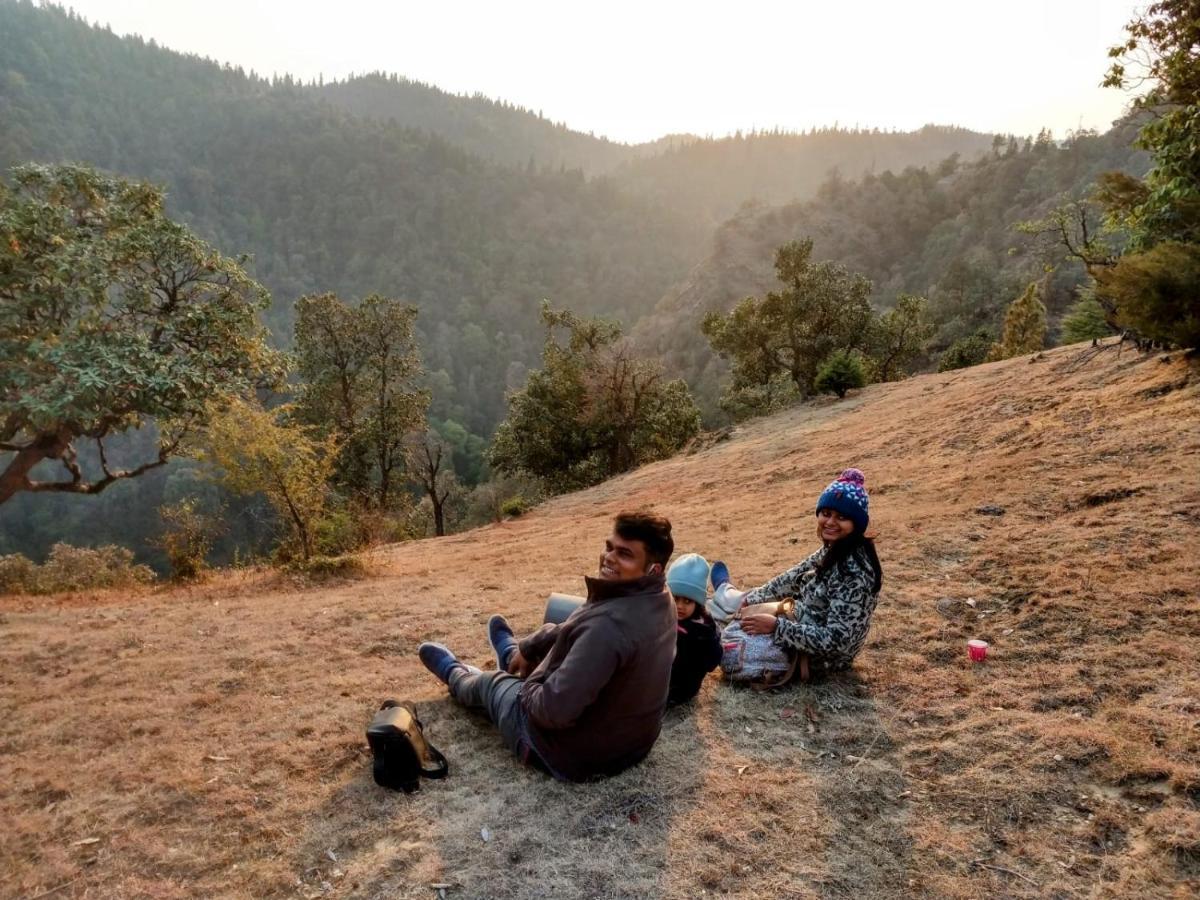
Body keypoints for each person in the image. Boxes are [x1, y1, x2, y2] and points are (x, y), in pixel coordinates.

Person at [417, 511, 677, 782]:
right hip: (632, 745)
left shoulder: (608, 628)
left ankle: (457, 675)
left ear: (653, 568)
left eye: (624, 554)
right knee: (552, 638)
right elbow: (582, 630)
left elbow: (551, 713)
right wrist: (533, 647)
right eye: (609, 547)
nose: (609, 557)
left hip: (570, 755)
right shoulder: (660, 598)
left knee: (490, 684)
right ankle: (514, 655)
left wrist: (529, 681)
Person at [710, 468, 883, 675]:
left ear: (856, 524)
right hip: (801, 619)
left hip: (821, 658)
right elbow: (790, 578)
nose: (830, 522)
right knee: (743, 613)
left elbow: (838, 641)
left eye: (842, 517)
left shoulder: (854, 573)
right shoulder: (834, 549)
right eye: (826, 514)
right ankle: (732, 598)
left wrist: (776, 627)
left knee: (730, 651)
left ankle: (725, 598)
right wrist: (753, 600)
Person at [664, 552, 722, 705]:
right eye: (675, 598)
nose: (680, 606)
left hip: (681, 689)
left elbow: (711, 663)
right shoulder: (662, 615)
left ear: (698, 603)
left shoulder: (703, 629)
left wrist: (708, 641)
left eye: (688, 601)